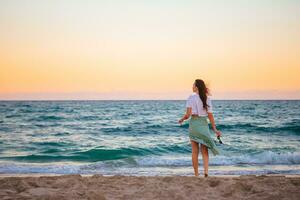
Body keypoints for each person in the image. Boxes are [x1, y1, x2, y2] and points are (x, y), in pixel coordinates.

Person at [178, 79, 221, 177]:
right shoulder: (207, 98)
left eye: (193, 85)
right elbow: (210, 116)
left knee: (194, 151)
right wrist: (215, 129)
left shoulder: (190, 98)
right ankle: (206, 172)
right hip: (203, 124)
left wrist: (182, 119)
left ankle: (196, 174)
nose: (192, 87)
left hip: (193, 124)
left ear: (196, 87)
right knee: (204, 150)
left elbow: (188, 115)